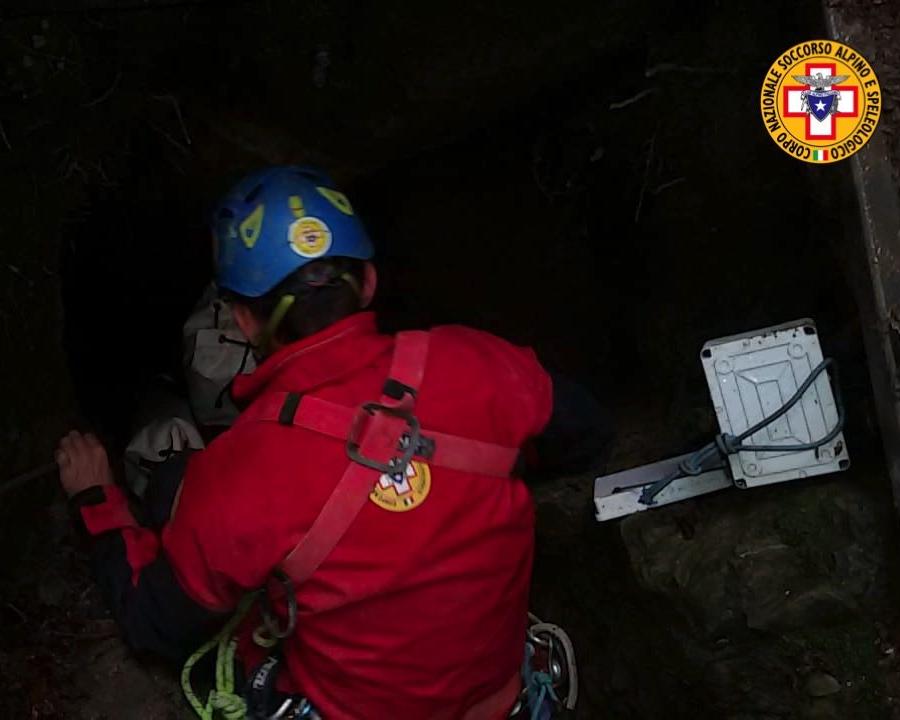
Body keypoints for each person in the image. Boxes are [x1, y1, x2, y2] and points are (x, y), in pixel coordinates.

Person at [56, 166, 612, 720]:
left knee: (172, 473)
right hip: (500, 702)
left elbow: (156, 622)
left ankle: (150, 405)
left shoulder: (240, 471)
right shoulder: (478, 362)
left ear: (245, 320)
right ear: (368, 282)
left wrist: (96, 499)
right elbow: (585, 433)